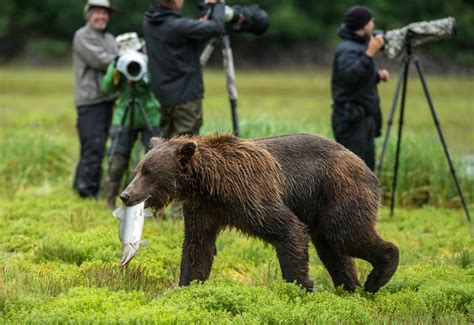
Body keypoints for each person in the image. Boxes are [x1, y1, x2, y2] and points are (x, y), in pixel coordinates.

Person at [143, 0, 225, 138]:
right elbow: (217, 27)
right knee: (186, 148)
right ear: (174, 2)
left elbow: (182, 42)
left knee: (165, 145)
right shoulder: (177, 26)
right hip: (186, 97)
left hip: (163, 97)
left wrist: (199, 26)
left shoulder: (149, 22)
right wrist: (218, 4)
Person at [102, 33, 161, 209]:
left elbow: (157, 84)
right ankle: (110, 200)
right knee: (118, 158)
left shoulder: (147, 61)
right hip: (124, 117)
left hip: (149, 114)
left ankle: (152, 203)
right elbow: (106, 87)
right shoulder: (118, 64)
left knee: (155, 161)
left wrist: (145, 68)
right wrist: (116, 67)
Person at [331, 5, 389, 171]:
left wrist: (377, 75)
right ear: (363, 25)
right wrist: (369, 54)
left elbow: (358, 79)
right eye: (371, 21)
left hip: (363, 118)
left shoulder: (359, 46)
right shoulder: (346, 49)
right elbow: (348, 77)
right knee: (354, 173)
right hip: (351, 120)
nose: (373, 23)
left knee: (367, 170)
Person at [72, 0, 118, 198]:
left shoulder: (109, 38)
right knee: (93, 146)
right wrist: (123, 56)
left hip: (108, 99)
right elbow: (100, 61)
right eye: (97, 12)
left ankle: (82, 185)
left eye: (105, 13)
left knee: (96, 145)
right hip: (90, 101)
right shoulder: (82, 36)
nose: (102, 16)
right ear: (88, 14)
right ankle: (87, 191)